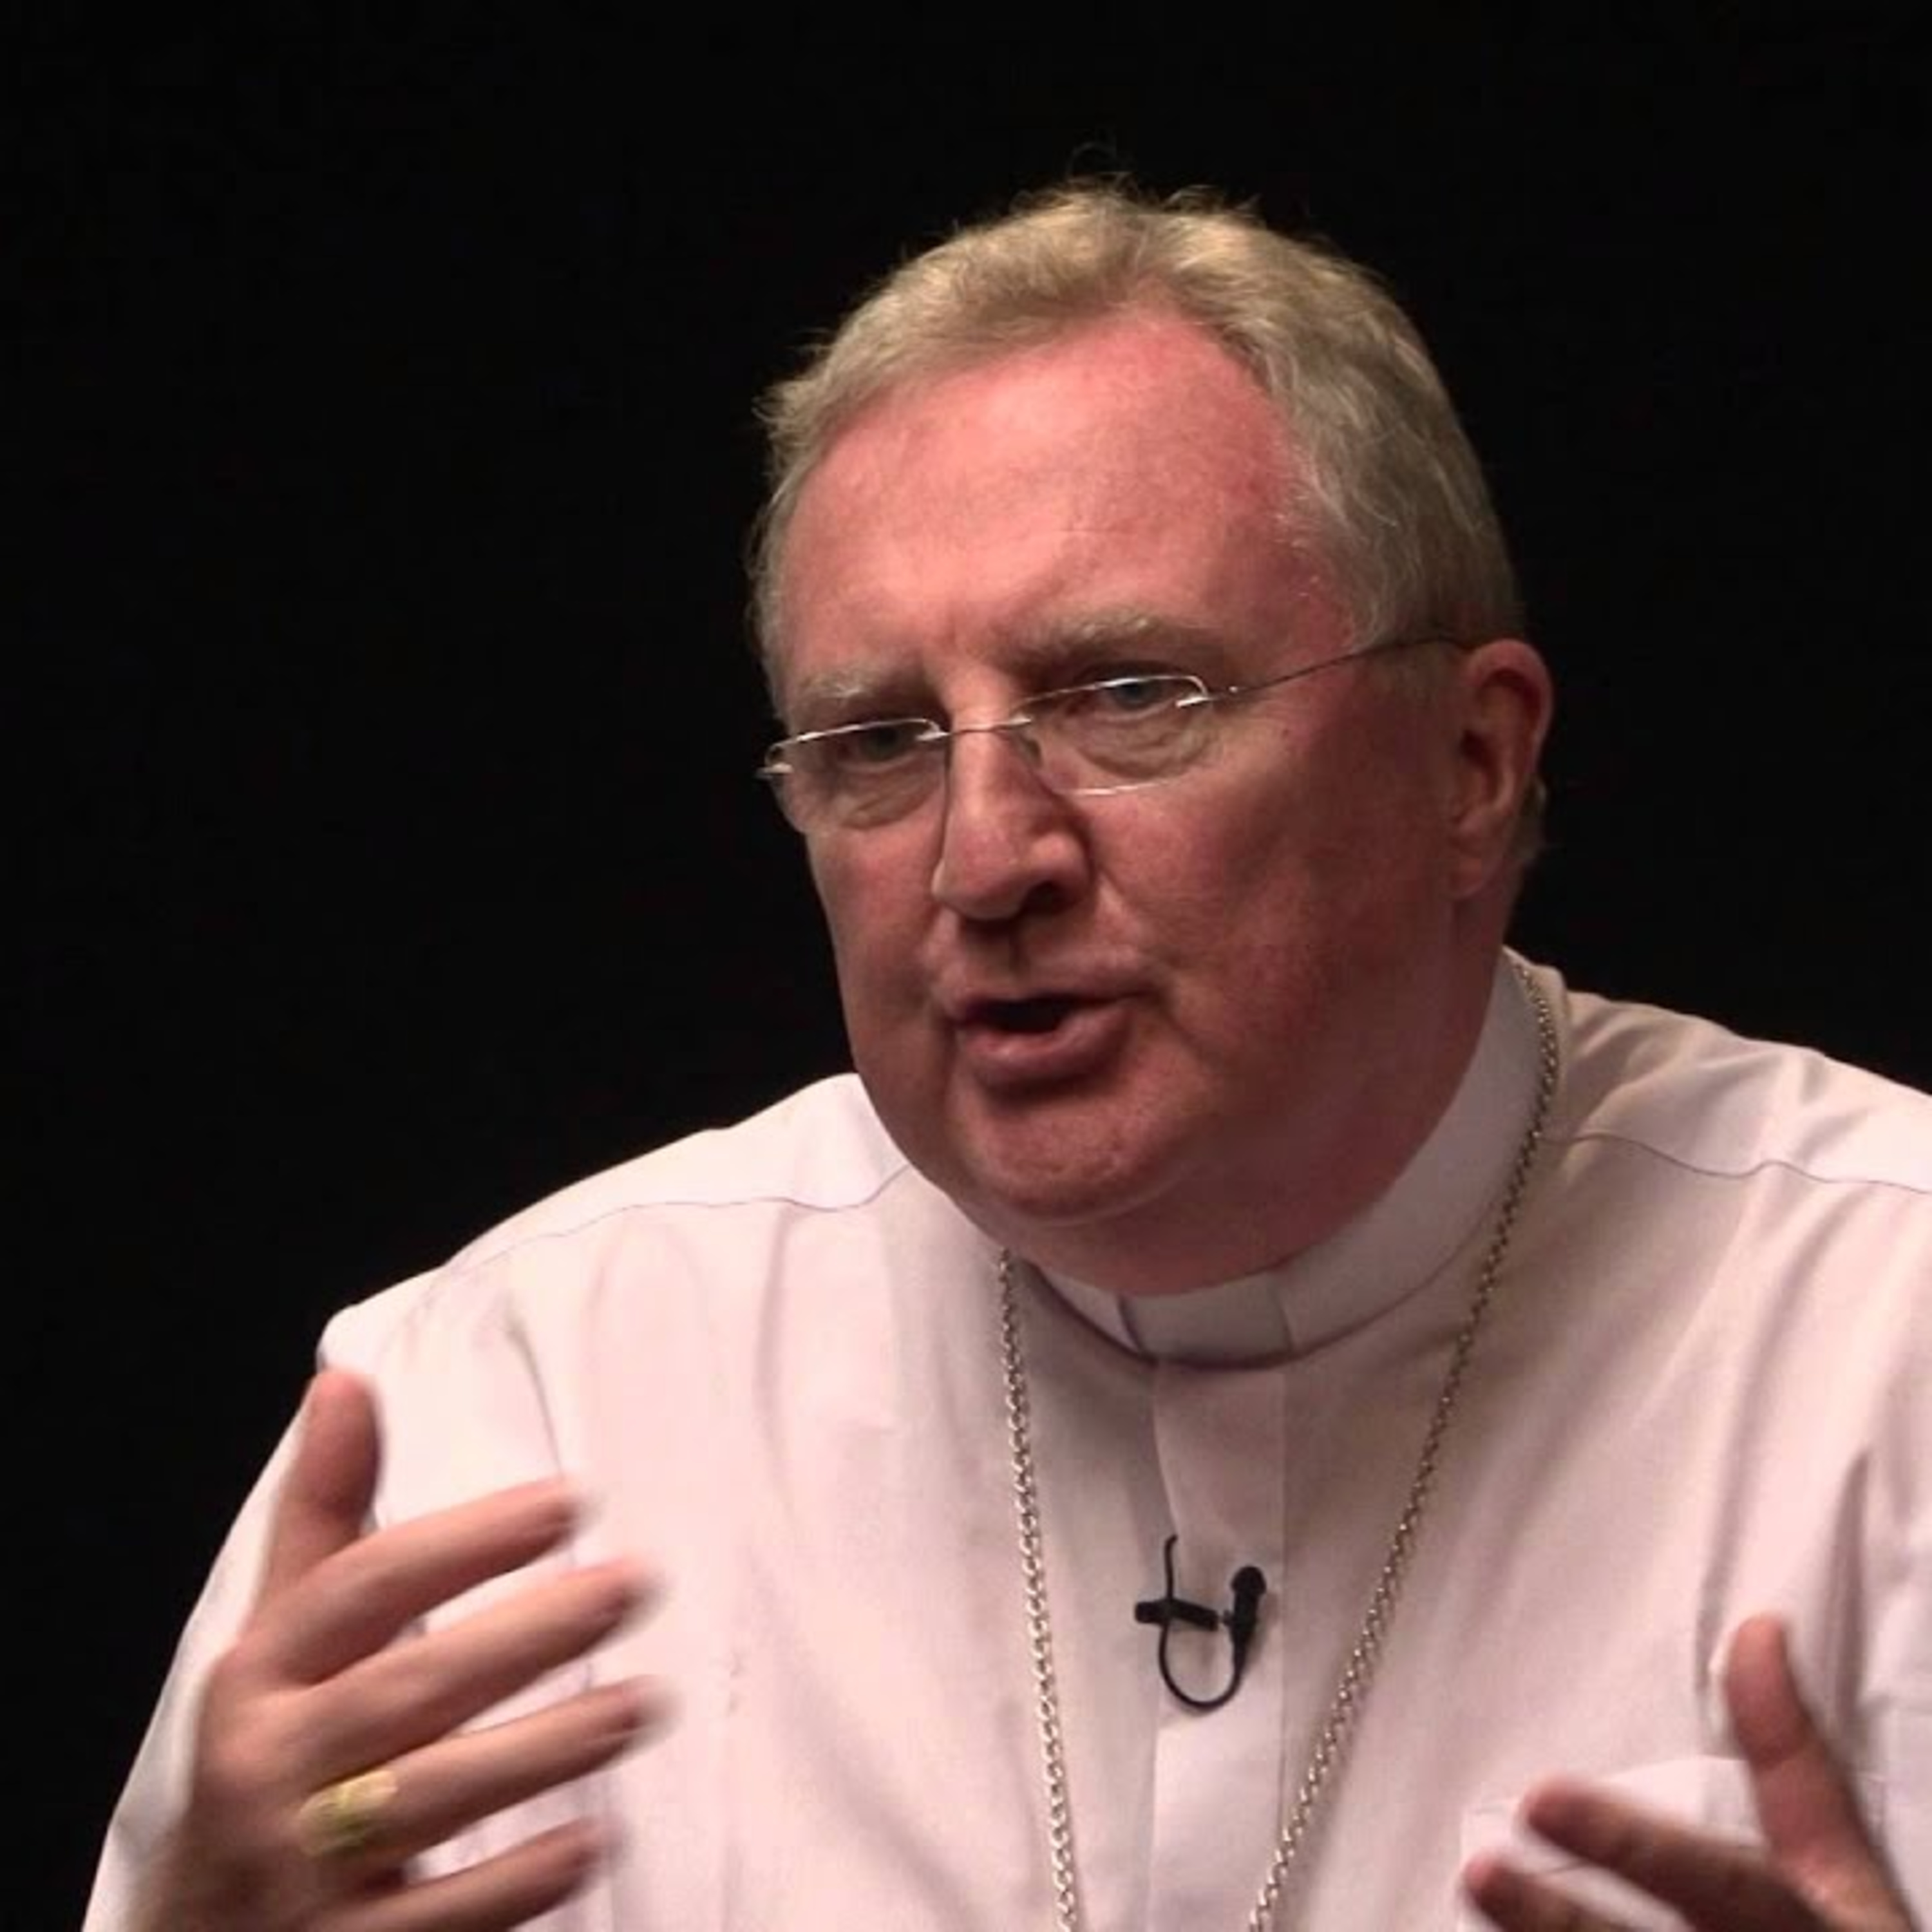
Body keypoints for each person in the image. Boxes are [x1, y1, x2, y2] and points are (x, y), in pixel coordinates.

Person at [86, 183, 1927, 1932]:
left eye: (1128, 698)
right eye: (881, 742)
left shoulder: (1884, 1338)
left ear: (1470, 765)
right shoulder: (517, 1398)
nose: (984, 860)